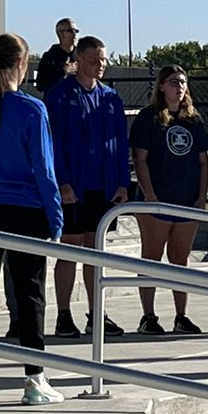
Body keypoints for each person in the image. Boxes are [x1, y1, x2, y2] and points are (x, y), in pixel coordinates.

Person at [0, 32, 65, 405]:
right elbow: (44, 169)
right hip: (26, 211)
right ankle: (34, 379)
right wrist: (55, 218)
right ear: (22, 64)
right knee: (30, 294)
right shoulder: (32, 109)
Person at [45, 35, 129, 337]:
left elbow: (120, 143)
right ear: (78, 60)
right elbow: (53, 144)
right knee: (70, 249)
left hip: (103, 187)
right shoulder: (58, 96)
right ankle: (64, 315)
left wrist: (122, 181)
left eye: (103, 60)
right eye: (94, 60)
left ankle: (97, 314)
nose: (100, 65)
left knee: (96, 251)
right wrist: (63, 181)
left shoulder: (110, 98)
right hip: (73, 186)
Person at [130, 65, 208, 335]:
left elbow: (202, 161)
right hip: (157, 201)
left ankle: (181, 316)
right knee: (151, 258)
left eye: (183, 82)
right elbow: (140, 159)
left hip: (186, 201)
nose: (179, 86)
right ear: (162, 86)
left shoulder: (193, 120)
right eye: (174, 81)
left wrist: (201, 196)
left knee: (180, 259)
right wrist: (150, 194)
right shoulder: (148, 117)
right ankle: (148, 316)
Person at [35, 18, 78, 96]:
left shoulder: (81, 56)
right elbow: (40, 85)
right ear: (61, 34)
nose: (75, 34)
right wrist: (63, 72)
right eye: (71, 31)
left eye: (76, 31)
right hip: (56, 102)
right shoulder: (49, 57)